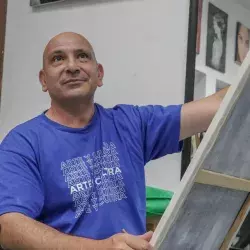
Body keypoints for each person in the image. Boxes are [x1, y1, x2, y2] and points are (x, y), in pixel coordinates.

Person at [0, 32, 229, 250]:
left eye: (82, 56)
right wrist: (101, 248)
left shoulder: (130, 124)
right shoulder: (22, 144)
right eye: (58, 59)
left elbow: (220, 104)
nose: (72, 66)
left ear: (99, 74)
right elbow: (8, 227)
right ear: (43, 80)